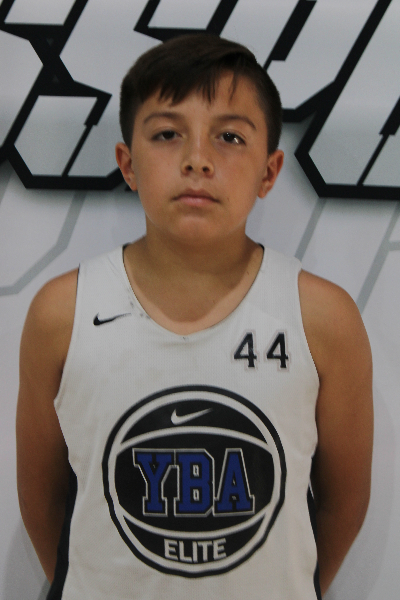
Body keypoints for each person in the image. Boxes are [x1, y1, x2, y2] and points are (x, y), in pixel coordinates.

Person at [16, 34, 373, 600]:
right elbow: (45, 503)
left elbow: (343, 502)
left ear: (269, 171)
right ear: (127, 164)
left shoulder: (323, 318)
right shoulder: (62, 313)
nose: (197, 159)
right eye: (167, 134)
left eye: (230, 137)